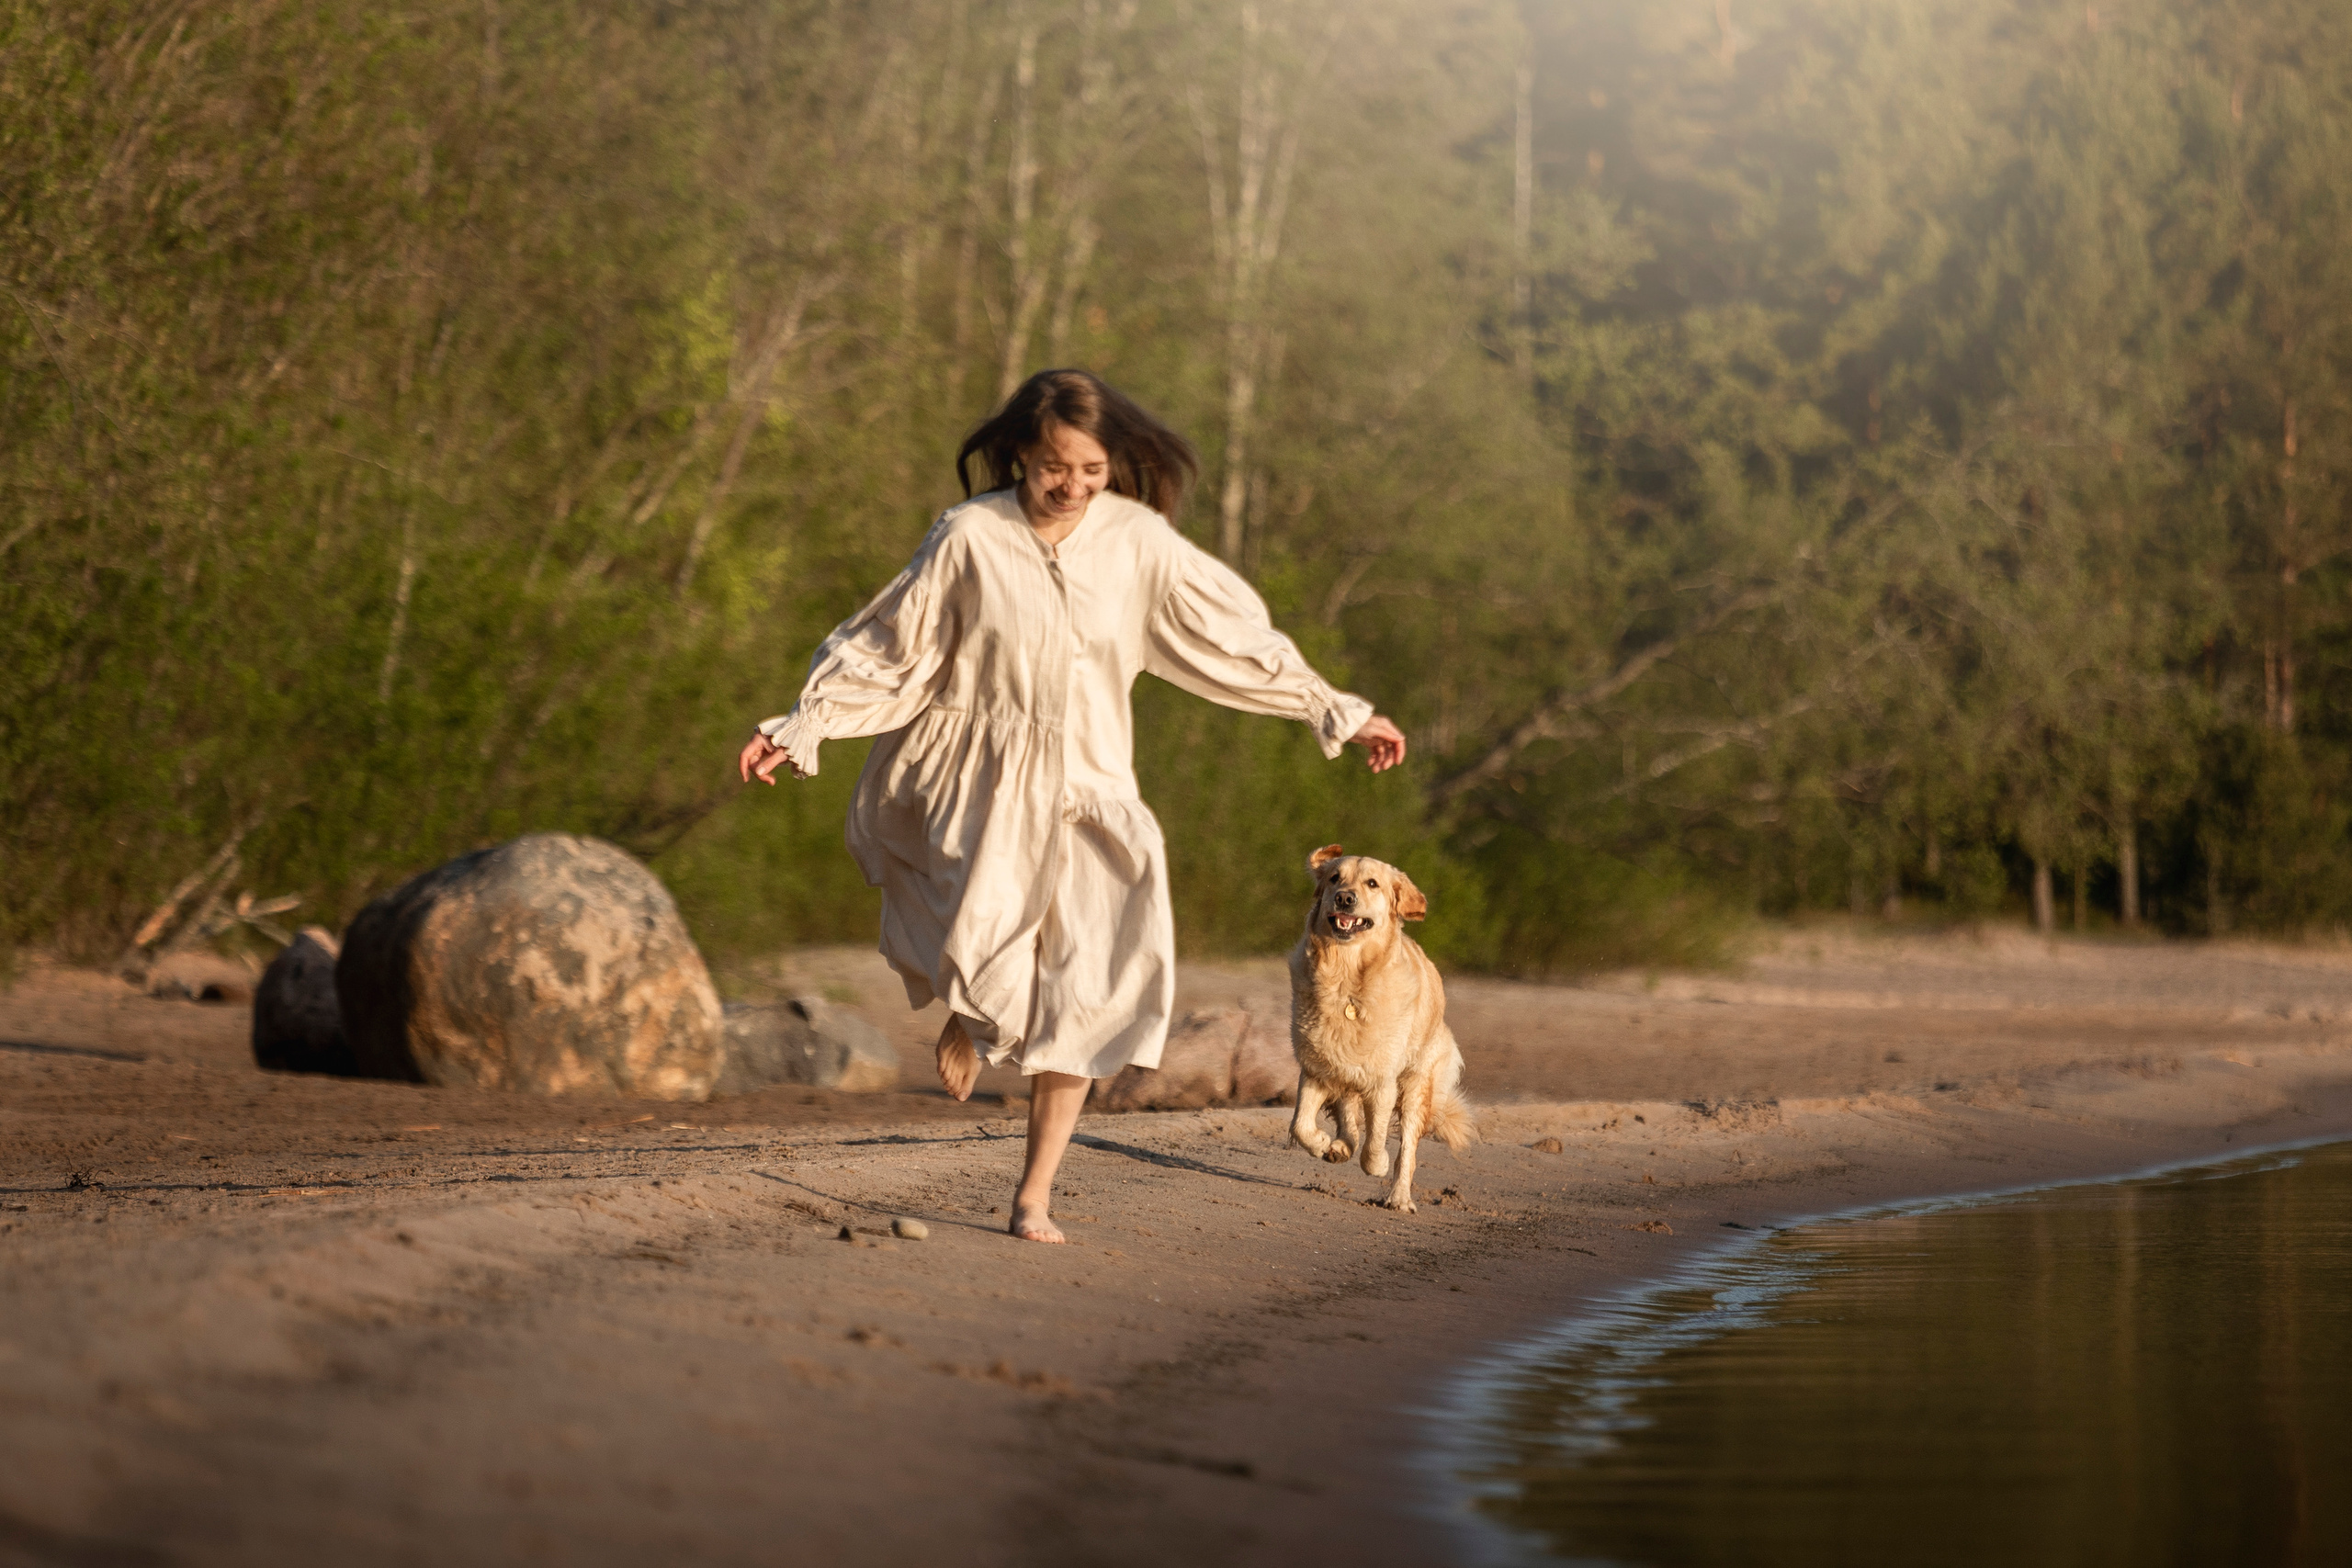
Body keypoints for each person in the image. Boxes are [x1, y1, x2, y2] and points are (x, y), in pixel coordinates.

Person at [739, 369, 1406, 1243]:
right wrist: (806, 722)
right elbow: (891, 644)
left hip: (1096, 788)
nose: (1074, 487)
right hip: (986, 782)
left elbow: (1233, 637)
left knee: (1090, 991)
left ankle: (1034, 1195)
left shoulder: (1137, 540)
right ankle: (972, 1016)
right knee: (989, 951)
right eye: (1057, 467)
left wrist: (1337, 710)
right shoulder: (970, 535)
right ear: (1022, 451)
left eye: (1093, 470)